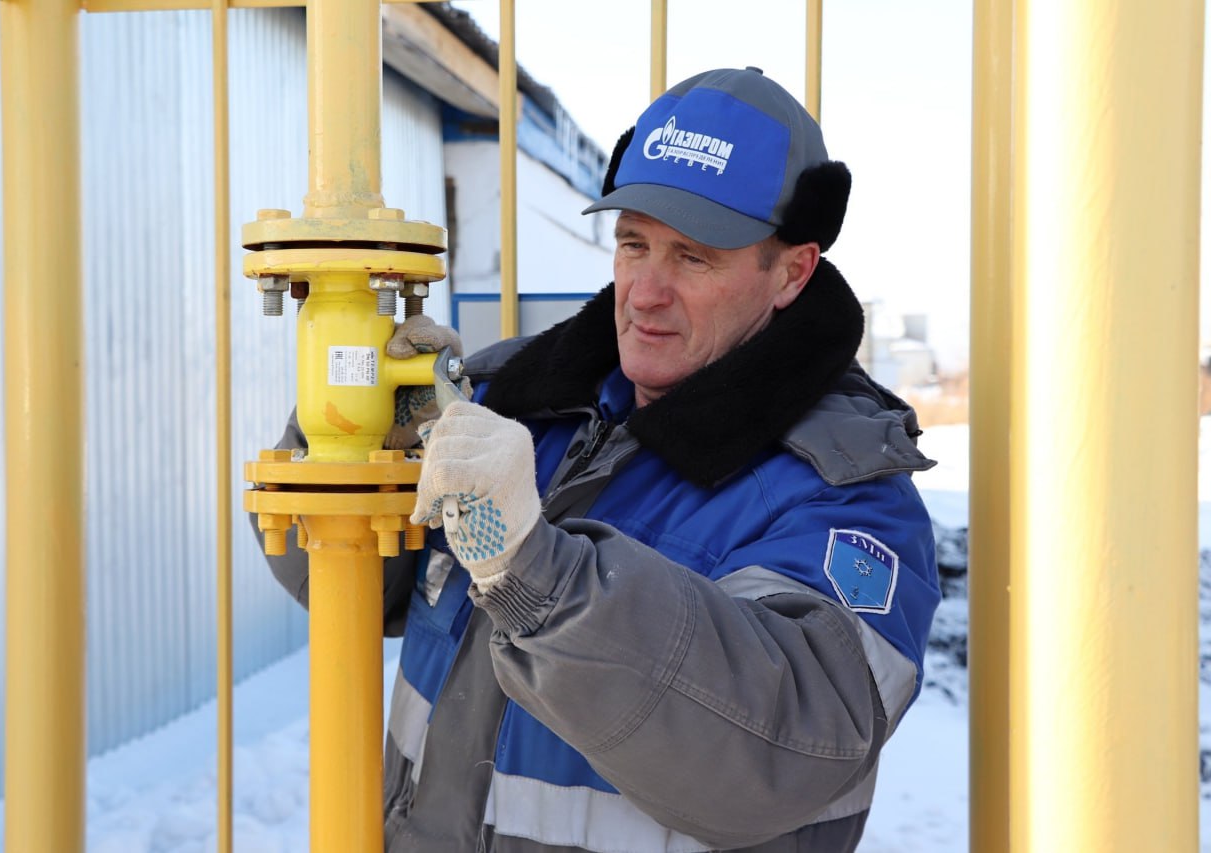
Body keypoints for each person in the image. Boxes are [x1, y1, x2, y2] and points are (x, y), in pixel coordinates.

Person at [260, 66, 941, 852]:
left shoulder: (845, 497)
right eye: (632, 243)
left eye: (693, 257)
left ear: (792, 271)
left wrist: (535, 574)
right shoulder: (520, 400)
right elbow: (347, 584)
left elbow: (782, 749)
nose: (644, 291)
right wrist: (358, 438)